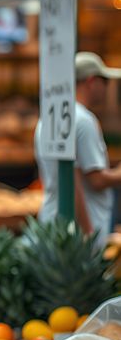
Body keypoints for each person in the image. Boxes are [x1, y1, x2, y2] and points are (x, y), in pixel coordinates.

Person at [35, 51, 121, 246]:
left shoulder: (48, 118)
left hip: (53, 222)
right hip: (80, 232)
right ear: (91, 81)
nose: (108, 88)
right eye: (105, 82)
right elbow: (95, 180)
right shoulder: (83, 121)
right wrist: (88, 232)